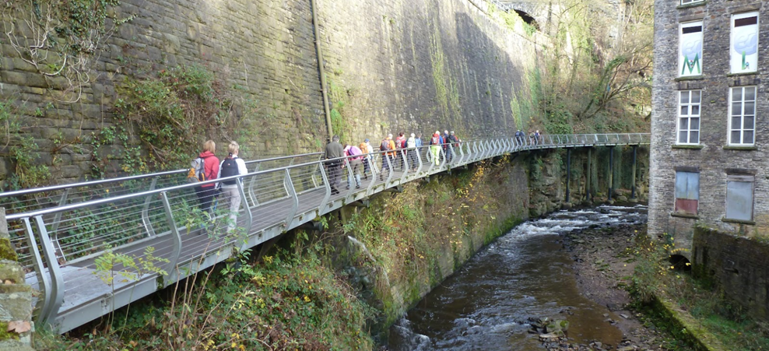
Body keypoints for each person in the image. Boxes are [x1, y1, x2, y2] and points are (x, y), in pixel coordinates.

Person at [217, 141, 248, 232]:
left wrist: (217, 187)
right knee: (234, 208)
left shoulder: (223, 161)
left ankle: (230, 226)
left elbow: (219, 175)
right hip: (236, 187)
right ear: (236, 151)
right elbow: (244, 173)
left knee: (229, 207)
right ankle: (230, 230)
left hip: (225, 187)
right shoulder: (239, 161)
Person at [195, 140, 220, 215]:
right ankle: (204, 225)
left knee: (201, 205)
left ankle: (199, 223)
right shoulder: (214, 159)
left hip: (198, 185)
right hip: (208, 185)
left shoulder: (198, 158)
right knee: (206, 208)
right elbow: (214, 174)